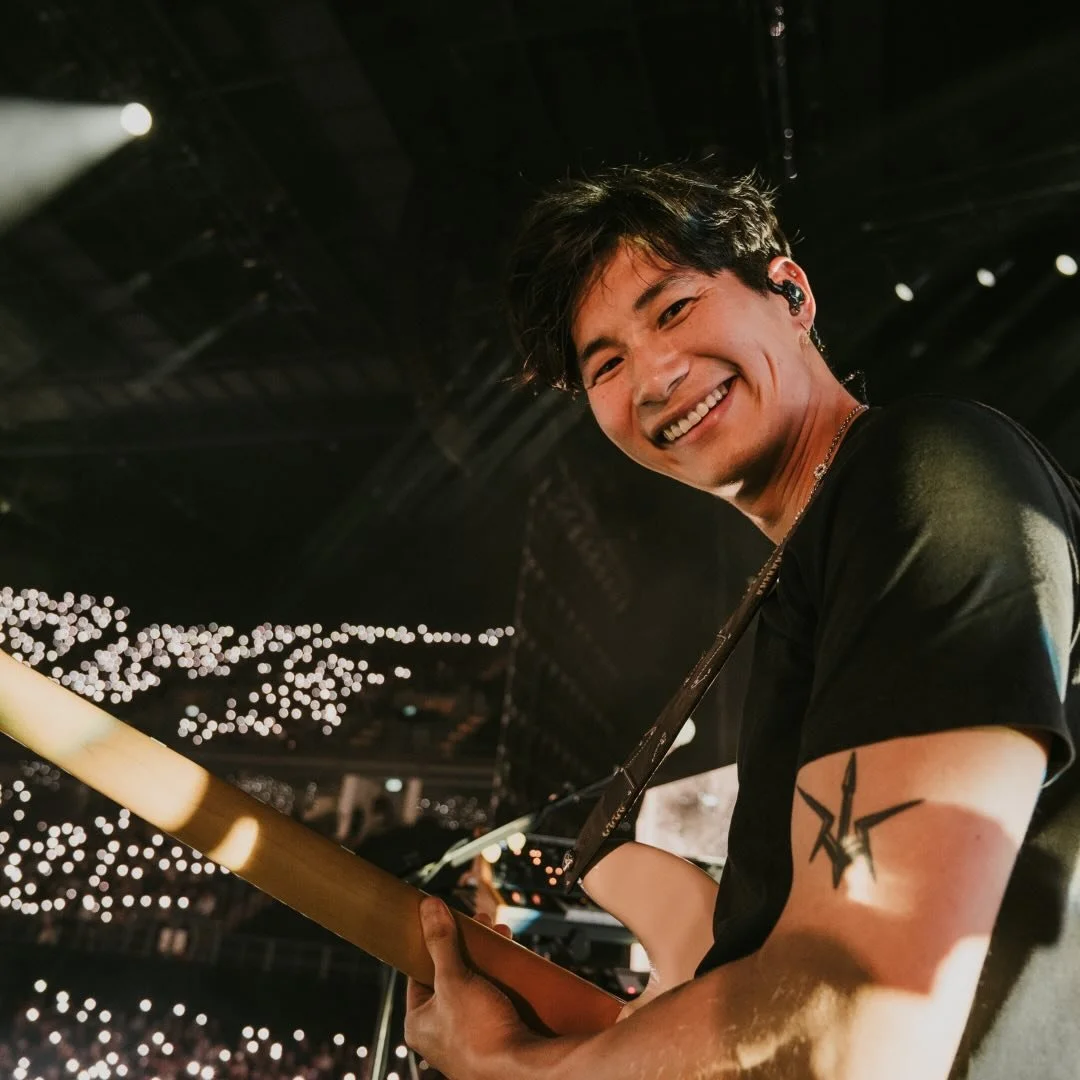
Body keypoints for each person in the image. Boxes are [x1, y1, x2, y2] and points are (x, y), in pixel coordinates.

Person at [403, 162, 1080, 1079]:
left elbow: (856, 1022)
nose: (655, 376)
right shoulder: (813, 576)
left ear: (790, 293)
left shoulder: (924, 475)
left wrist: (519, 1066)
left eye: (674, 309)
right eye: (607, 364)